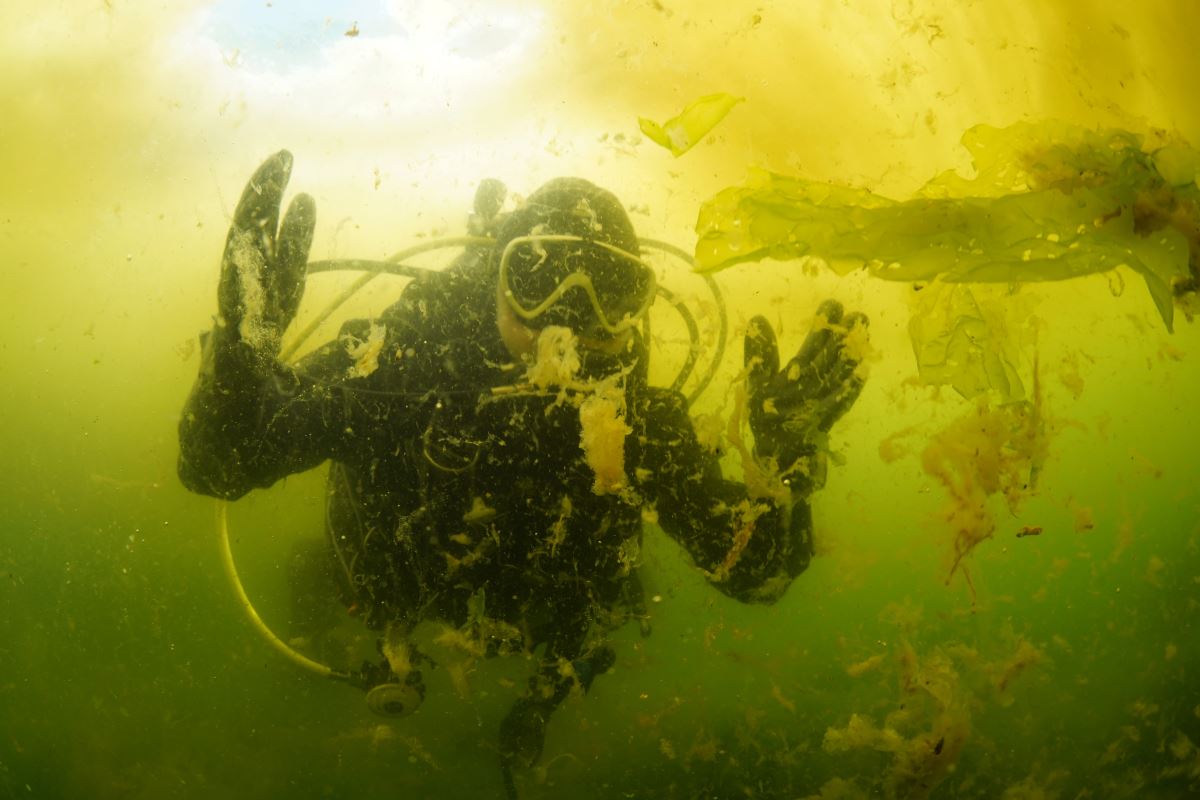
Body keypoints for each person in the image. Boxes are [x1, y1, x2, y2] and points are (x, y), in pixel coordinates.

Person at [178, 151, 868, 790]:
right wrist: (242, 363)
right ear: (494, 281)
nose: (569, 322)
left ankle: (545, 692)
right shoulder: (402, 364)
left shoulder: (637, 424)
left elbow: (755, 571)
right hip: (390, 581)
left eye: (609, 292)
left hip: (547, 618)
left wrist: (784, 464)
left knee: (592, 617)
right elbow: (221, 466)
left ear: (635, 312)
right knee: (324, 584)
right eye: (538, 279)